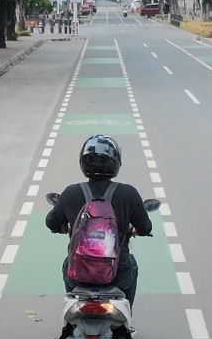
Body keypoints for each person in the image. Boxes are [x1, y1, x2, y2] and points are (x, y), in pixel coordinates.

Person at [46, 134, 152, 312]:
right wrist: (136, 230)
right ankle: (126, 317)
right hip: (118, 274)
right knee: (131, 264)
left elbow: (51, 222)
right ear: (116, 162)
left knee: (67, 263)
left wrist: (65, 227)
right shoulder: (128, 193)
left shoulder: (72, 192)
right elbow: (146, 227)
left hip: (78, 275)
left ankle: (73, 312)